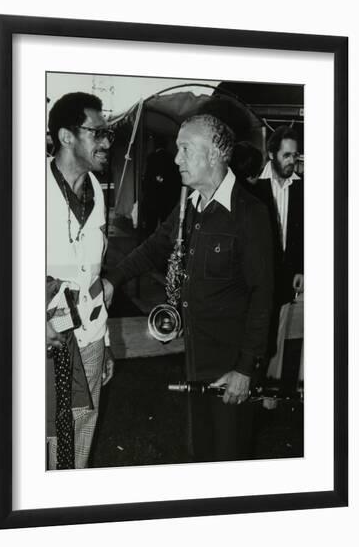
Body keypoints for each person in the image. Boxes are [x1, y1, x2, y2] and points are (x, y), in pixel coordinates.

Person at [103, 114, 274, 462]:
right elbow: (154, 248)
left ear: (213, 154)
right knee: (201, 452)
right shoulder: (189, 205)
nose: (176, 158)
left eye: (185, 149)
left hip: (231, 366)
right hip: (196, 360)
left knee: (230, 459)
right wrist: (111, 280)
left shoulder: (249, 213)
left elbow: (263, 296)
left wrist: (245, 369)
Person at [46, 92, 115, 469]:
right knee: (44, 432)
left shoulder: (97, 192)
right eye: (97, 132)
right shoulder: (24, 186)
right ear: (66, 136)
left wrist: (105, 343)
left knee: (81, 429)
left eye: (108, 134)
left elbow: (95, 275)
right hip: (47, 336)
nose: (106, 142)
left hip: (89, 336)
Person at [251, 126, 304, 381]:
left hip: (285, 275)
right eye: (287, 155)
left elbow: (305, 233)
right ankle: (251, 381)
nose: (292, 161)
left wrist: (301, 269)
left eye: (295, 155)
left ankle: (271, 386)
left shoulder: (302, 189)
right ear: (272, 154)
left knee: (280, 331)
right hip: (257, 275)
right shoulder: (253, 187)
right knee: (257, 330)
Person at [142, 135, 182, 234]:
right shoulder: (172, 158)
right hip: (167, 198)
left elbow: (148, 178)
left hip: (153, 197)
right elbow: (176, 180)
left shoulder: (151, 158)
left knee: (150, 226)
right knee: (166, 225)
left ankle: (149, 245)